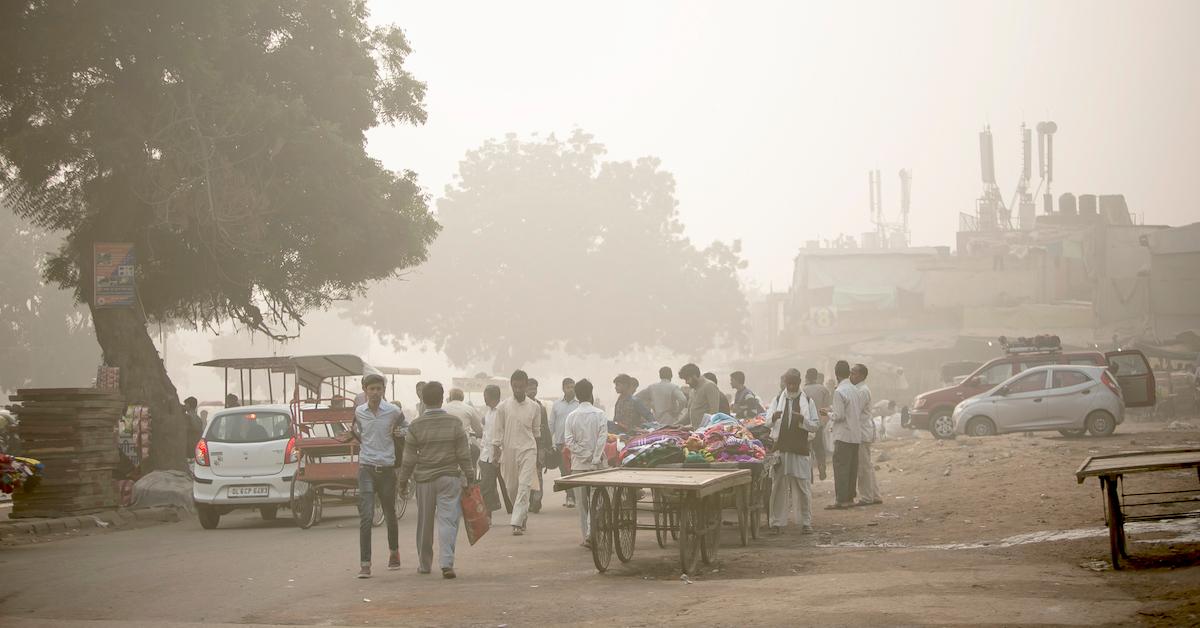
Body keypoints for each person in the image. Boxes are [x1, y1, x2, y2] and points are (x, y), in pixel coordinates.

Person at [396, 381, 473, 579]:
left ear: (423, 400)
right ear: (442, 399)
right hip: (449, 477)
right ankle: (447, 563)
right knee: (448, 521)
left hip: (424, 480)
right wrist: (469, 477)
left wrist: (402, 481)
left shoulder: (416, 425)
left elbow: (409, 458)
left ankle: (424, 563)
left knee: (425, 522)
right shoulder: (454, 423)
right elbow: (464, 454)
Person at [342, 374, 404, 578]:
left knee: (389, 513)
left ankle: (394, 552)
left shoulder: (394, 412)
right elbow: (355, 430)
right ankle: (365, 563)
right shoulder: (359, 412)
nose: (375, 393)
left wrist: (399, 436)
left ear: (384, 390)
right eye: (372, 389)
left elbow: (406, 429)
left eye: (379, 389)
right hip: (366, 467)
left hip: (386, 468)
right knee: (366, 516)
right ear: (365, 390)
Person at [765, 368, 819, 534]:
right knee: (778, 487)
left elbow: (815, 425)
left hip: (799, 450)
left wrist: (802, 419)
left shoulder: (807, 401)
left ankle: (805, 523)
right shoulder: (777, 400)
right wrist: (774, 417)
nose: (791, 387)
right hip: (781, 450)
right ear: (785, 384)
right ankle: (776, 523)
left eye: (794, 384)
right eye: (789, 384)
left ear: (799, 383)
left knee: (802, 487)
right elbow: (767, 422)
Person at [492, 370, 543, 536]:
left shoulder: (535, 407)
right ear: (511, 386)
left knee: (524, 485)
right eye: (515, 387)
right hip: (509, 451)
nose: (518, 390)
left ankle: (516, 523)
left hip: (528, 449)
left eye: (521, 387)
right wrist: (496, 450)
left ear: (526, 386)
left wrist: (540, 454)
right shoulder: (503, 406)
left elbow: (537, 433)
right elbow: (498, 430)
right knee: (512, 488)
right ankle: (521, 514)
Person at [563, 379, 609, 547]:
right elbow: (602, 438)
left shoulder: (571, 417)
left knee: (582, 505)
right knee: (597, 501)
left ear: (576, 395)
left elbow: (569, 441)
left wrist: (584, 454)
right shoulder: (600, 414)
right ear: (591, 394)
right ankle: (592, 533)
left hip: (578, 466)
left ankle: (586, 536)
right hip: (597, 467)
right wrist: (595, 457)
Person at [825, 360, 863, 510]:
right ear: (848, 373)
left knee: (841, 467)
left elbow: (839, 415)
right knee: (852, 467)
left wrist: (828, 413)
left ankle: (841, 499)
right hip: (855, 434)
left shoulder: (839, 391)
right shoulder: (855, 390)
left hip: (843, 434)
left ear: (836, 374)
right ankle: (849, 497)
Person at [852, 364, 882, 506]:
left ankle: (866, 497)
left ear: (862, 376)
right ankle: (874, 495)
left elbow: (854, 411)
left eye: (854, 373)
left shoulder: (862, 391)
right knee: (867, 465)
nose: (851, 376)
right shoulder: (859, 390)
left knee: (863, 466)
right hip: (863, 431)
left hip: (862, 432)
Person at [549, 378, 580, 507]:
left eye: (573, 387)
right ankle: (570, 496)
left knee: (575, 471)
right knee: (564, 472)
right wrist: (548, 442)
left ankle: (577, 496)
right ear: (563, 388)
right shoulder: (556, 405)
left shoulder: (579, 404)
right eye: (568, 387)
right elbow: (551, 424)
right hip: (560, 444)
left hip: (575, 444)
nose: (570, 389)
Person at [476, 385, 504, 514]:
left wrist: (498, 453)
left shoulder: (502, 410)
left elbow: (503, 433)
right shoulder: (488, 413)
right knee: (488, 486)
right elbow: (486, 434)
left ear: (492, 396)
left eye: (485, 396)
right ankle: (488, 514)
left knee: (505, 486)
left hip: (500, 455)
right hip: (486, 455)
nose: (484, 399)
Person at [526, 377, 552, 515]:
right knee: (525, 475)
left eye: (534, 388)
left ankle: (536, 502)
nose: (532, 391)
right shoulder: (520, 406)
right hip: (524, 446)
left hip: (539, 445)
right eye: (530, 388)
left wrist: (549, 445)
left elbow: (545, 427)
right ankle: (529, 500)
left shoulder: (541, 407)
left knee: (538, 473)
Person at [803, 369, 832, 481]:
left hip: (806, 425)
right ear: (816, 377)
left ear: (807, 377)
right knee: (819, 448)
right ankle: (821, 465)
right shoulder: (823, 390)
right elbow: (827, 408)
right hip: (819, 424)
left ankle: (809, 473)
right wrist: (824, 422)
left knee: (807, 450)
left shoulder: (803, 391)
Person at [680, 364, 720, 428]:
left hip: (705, 432)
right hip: (696, 431)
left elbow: (714, 414)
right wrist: (676, 424)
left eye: (687, 379)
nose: (686, 382)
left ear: (694, 376)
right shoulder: (693, 390)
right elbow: (689, 413)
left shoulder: (709, 386)